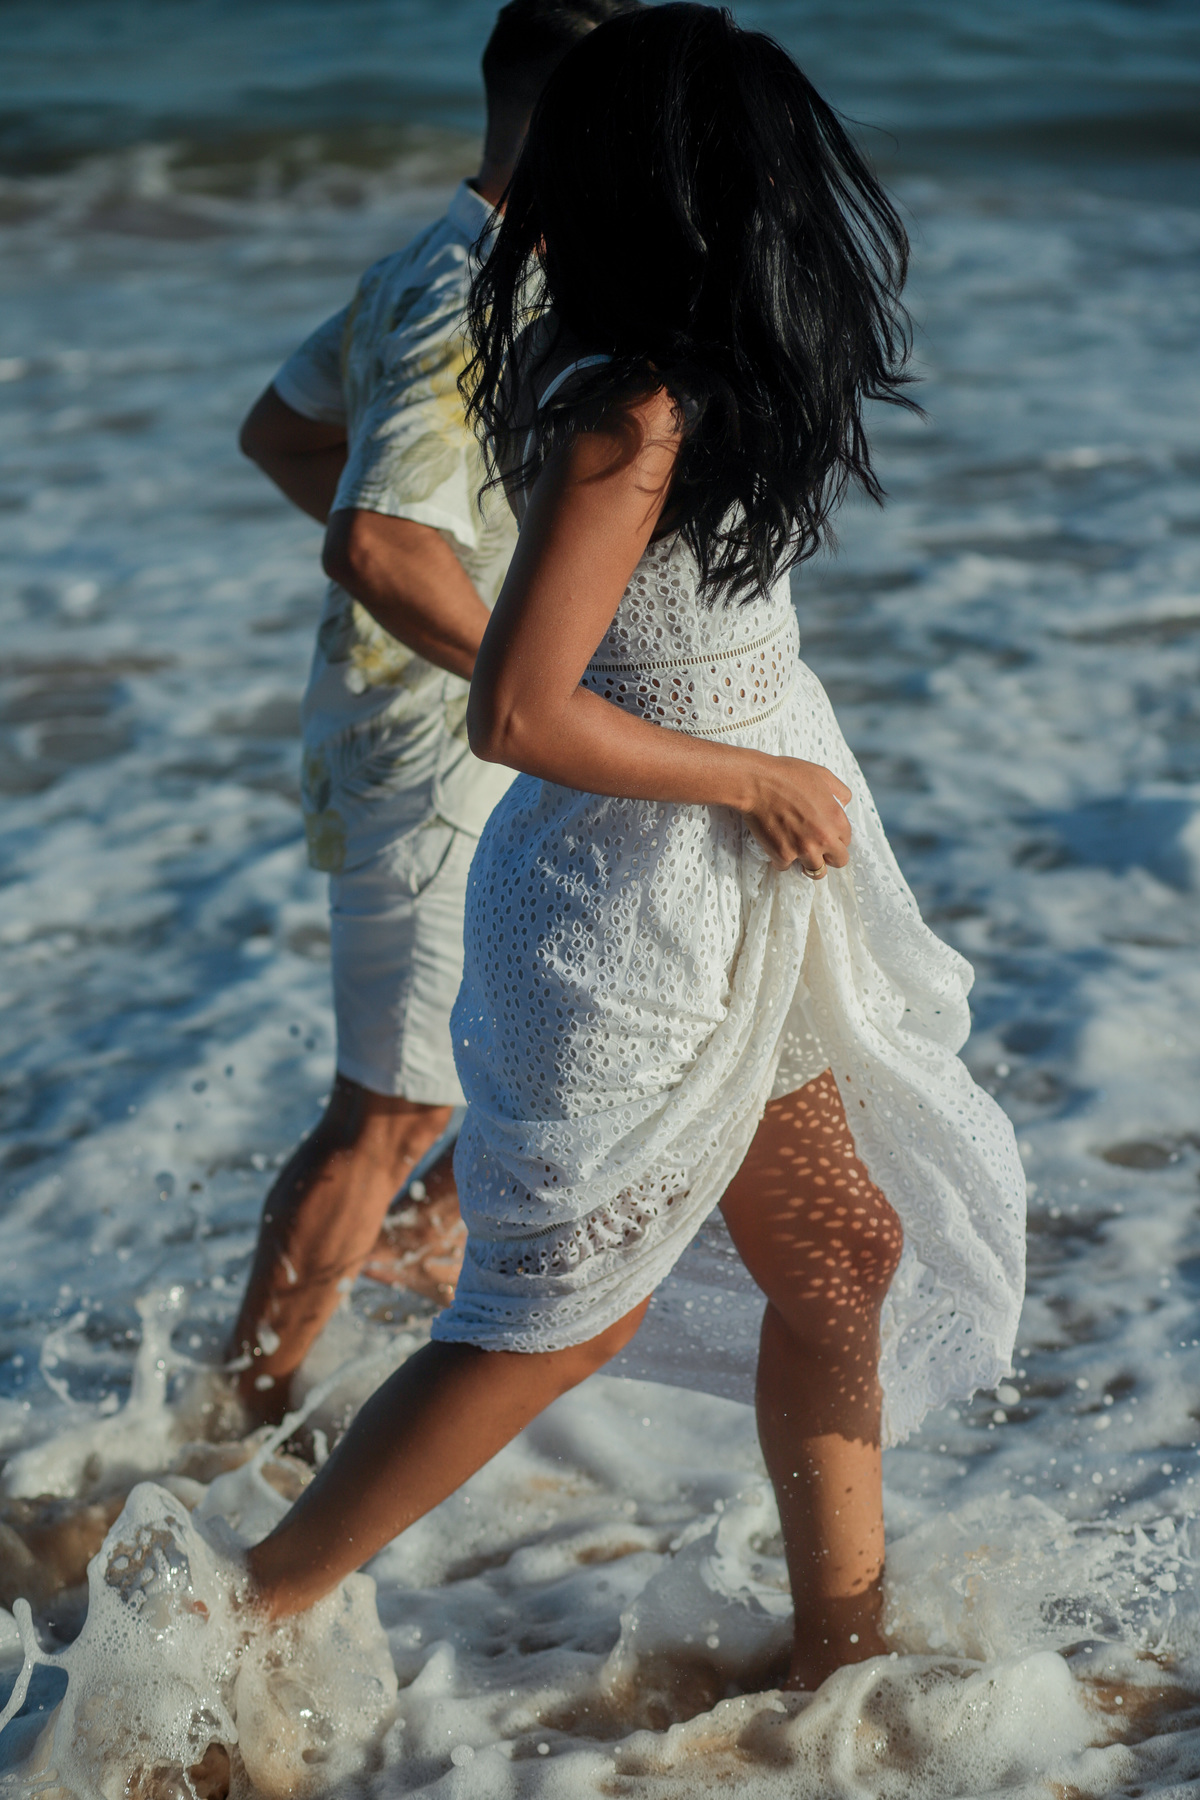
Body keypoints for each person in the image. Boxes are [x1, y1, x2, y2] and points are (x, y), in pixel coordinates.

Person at [241, 4, 1026, 1690]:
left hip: (745, 887)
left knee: (840, 1257)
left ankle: (844, 1664)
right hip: (634, 895)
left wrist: (765, 798)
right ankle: (231, 1621)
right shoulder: (627, 406)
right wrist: (748, 783)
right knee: (555, 1314)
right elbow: (517, 712)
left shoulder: (667, 378)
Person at [229, 0, 641, 1422]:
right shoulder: (485, 289)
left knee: (540, 1049)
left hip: (415, 722)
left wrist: (450, 570)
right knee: (388, 1111)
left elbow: (283, 434)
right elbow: (374, 546)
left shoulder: (424, 262)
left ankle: (405, 1258)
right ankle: (244, 1416)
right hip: (432, 746)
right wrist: (531, 674)